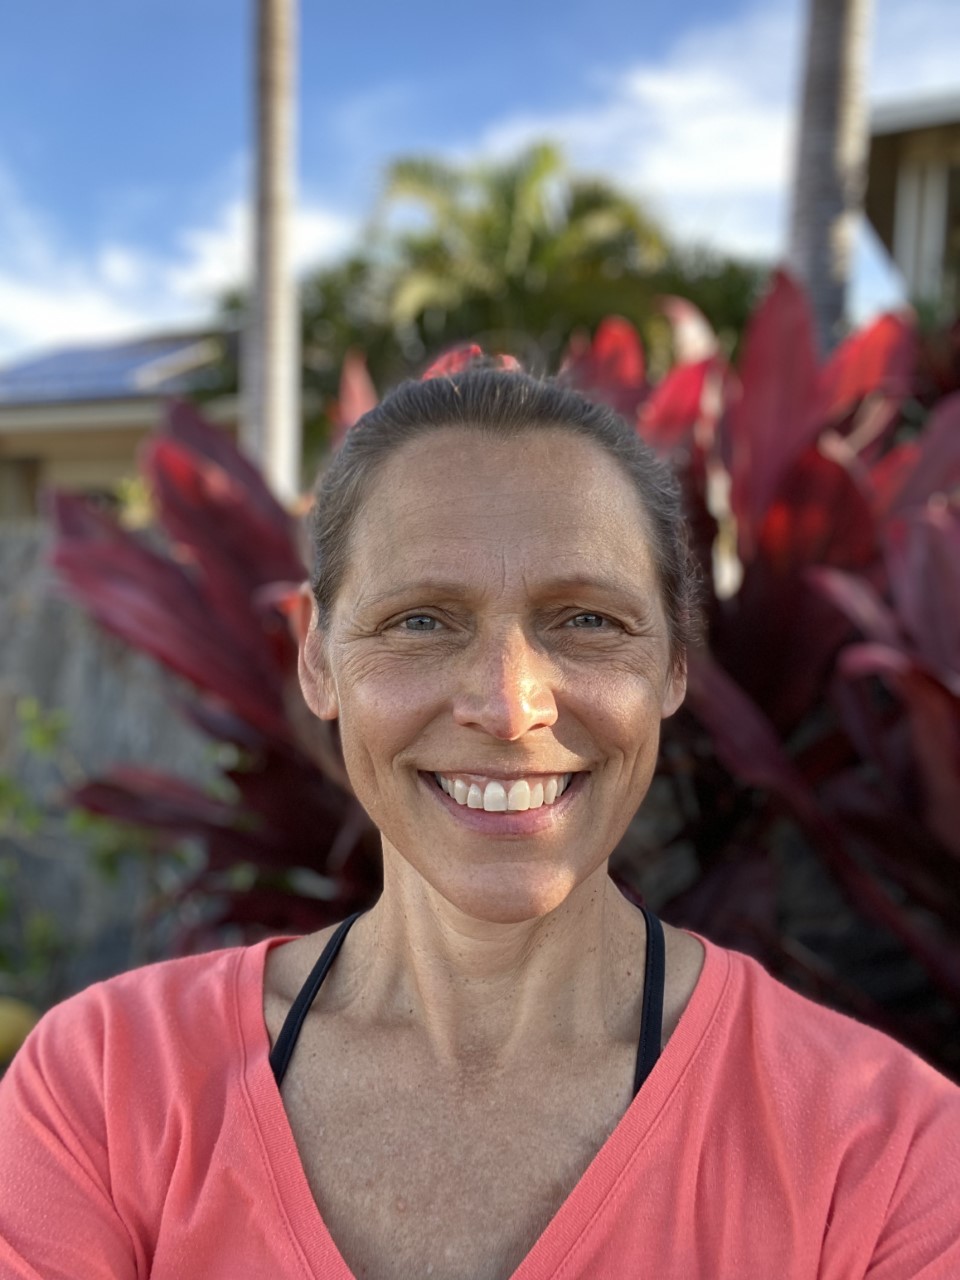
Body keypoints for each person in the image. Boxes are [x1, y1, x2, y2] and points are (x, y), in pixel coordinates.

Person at [0, 368, 958, 1280]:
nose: (508, 707)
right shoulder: (107, 1089)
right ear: (319, 663)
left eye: (586, 620)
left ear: (673, 667)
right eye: (422, 621)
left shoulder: (882, 1153)